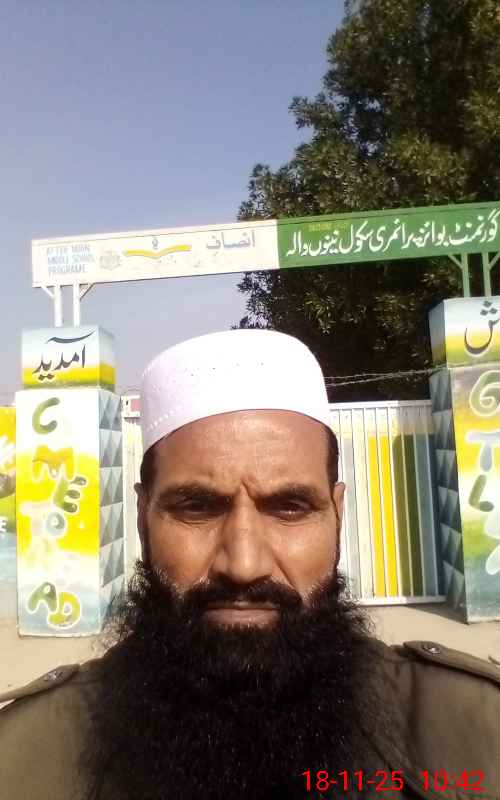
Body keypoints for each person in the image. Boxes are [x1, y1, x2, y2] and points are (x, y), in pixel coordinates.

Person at [1, 329, 499, 800]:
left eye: (289, 508)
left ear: (338, 516)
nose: (243, 564)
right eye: (197, 508)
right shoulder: (24, 756)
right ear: (141, 519)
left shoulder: (474, 730)